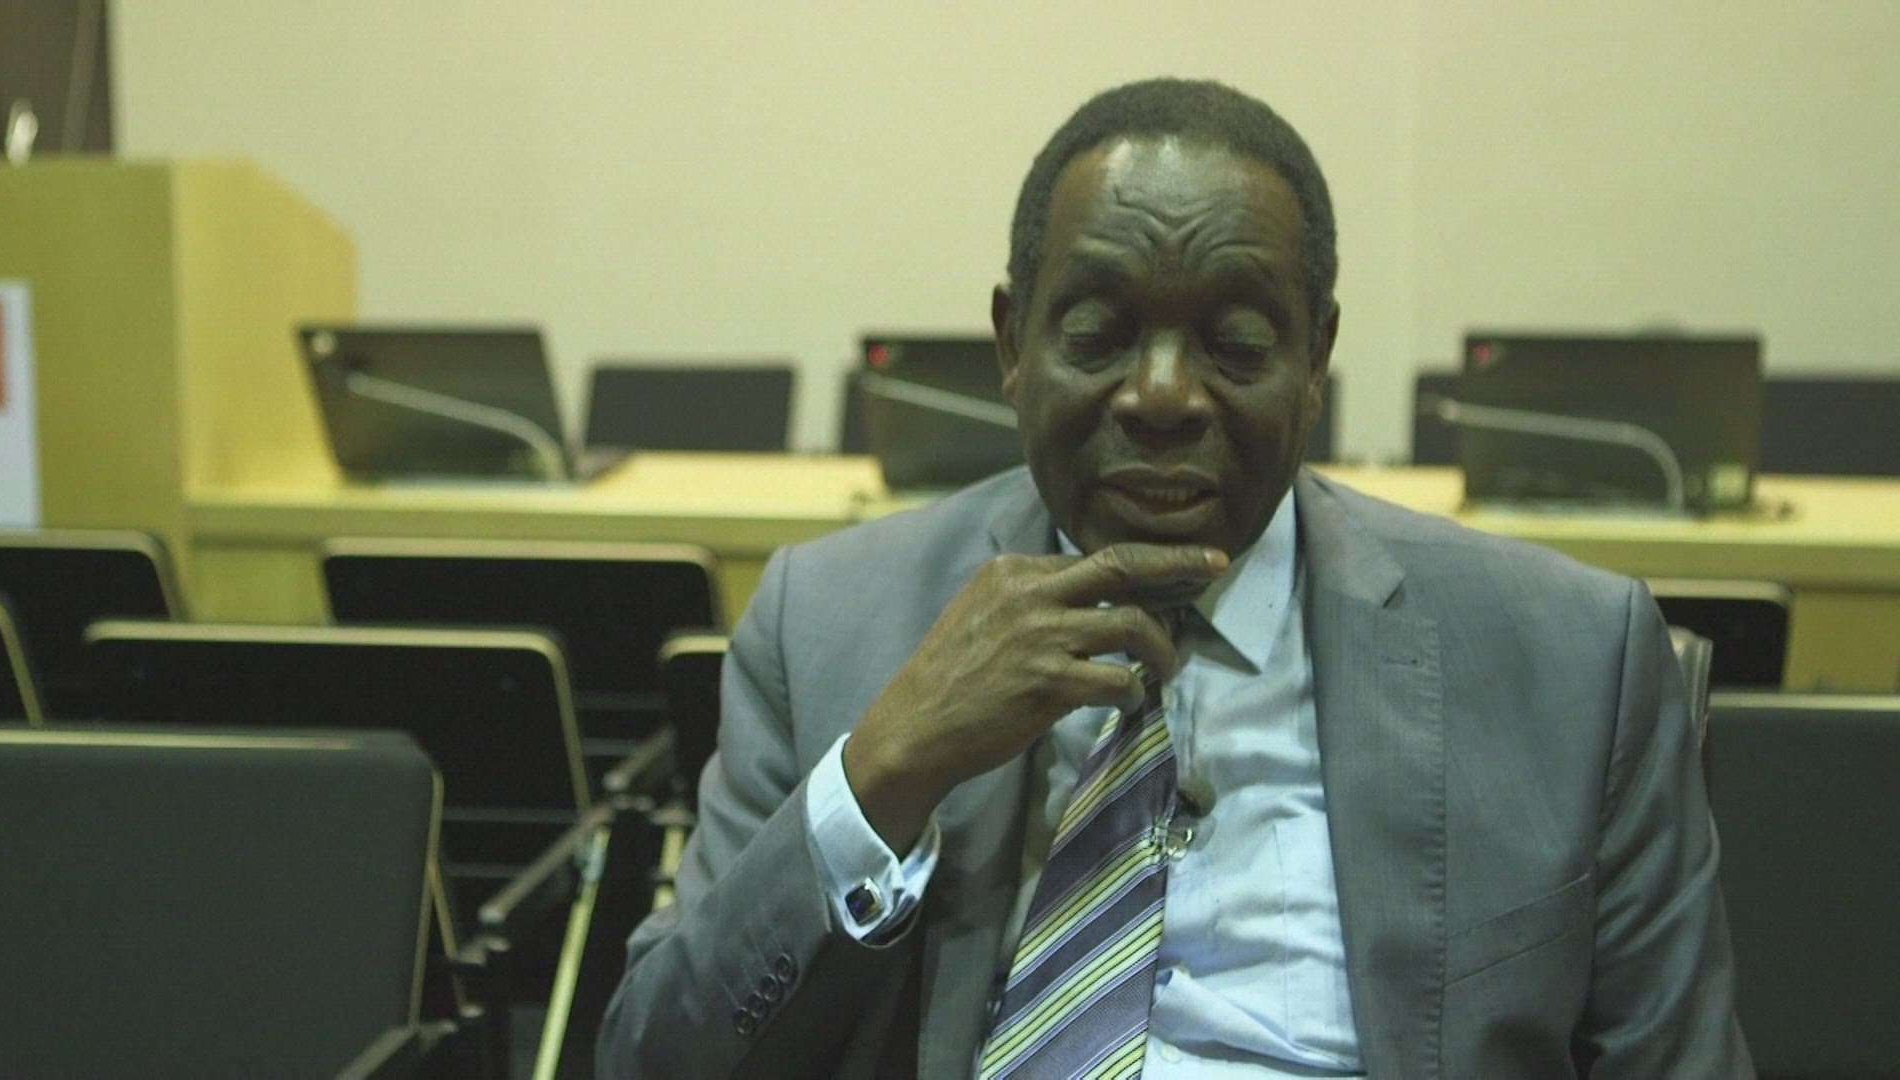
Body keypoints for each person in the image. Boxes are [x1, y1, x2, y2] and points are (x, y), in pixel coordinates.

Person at [600, 78, 1750, 1078]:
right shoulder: (826, 621)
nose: (1162, 396)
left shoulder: (1569, 661)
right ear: (1011, 345)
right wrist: (887, 774)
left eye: (1236, 345)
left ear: (1315, 360)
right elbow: (654, 1059)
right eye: (1098, 333)